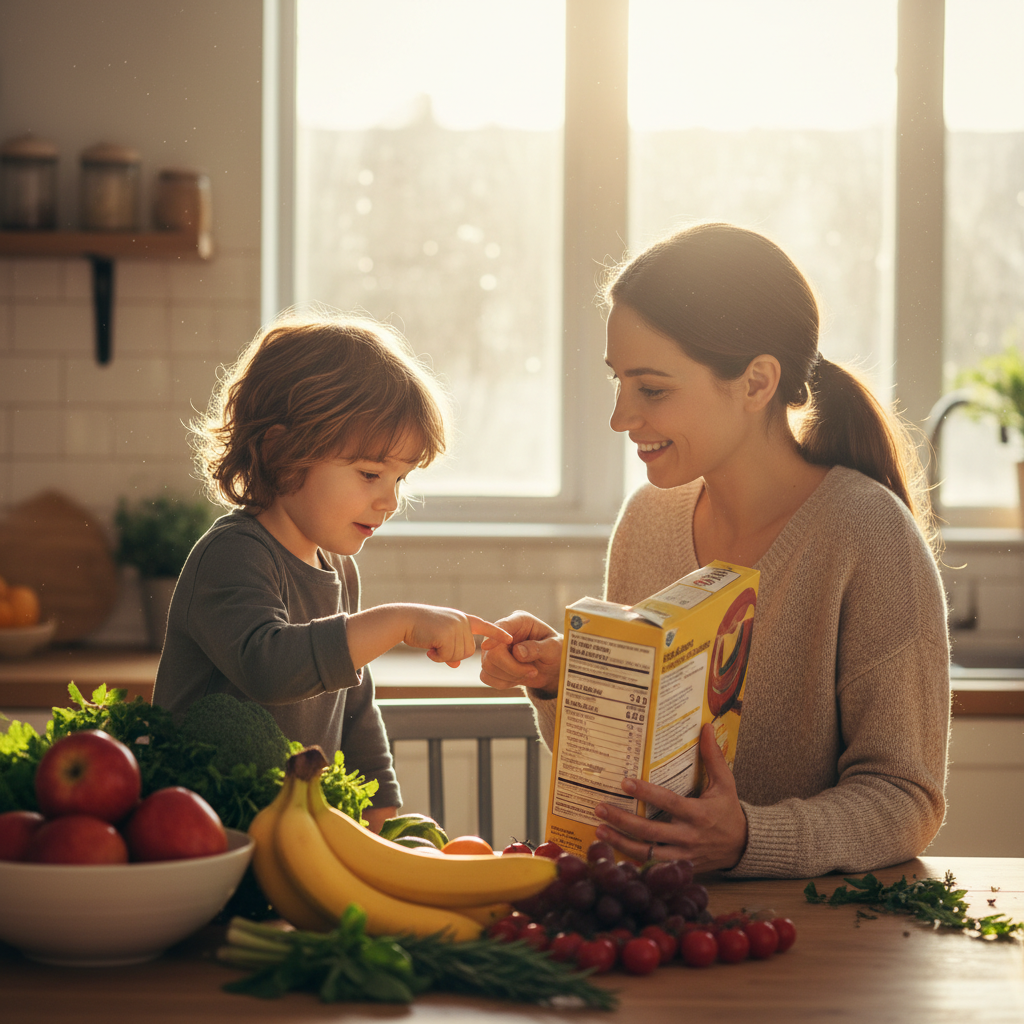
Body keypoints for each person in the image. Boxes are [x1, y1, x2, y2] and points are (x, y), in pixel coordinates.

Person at [480, 222, 950, 878]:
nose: (620, 417)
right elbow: (631, 777)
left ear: (757, 383)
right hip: (667, 920)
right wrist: (568, 683)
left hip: (818, 946)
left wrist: (750, 838)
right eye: (618, 381)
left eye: (652, 389)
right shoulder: (647, 520)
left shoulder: (871, 537)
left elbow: (906, 800)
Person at [153, 313, 512, 832]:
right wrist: (399, 622)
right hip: (203, 833)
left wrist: (380, 804)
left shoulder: (338, 567)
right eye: (370, 474)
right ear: (279, 451)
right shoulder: (233, 554)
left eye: (400, 478)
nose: (390, 500)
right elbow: (269, 667)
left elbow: (353, 702)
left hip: (288, 829)